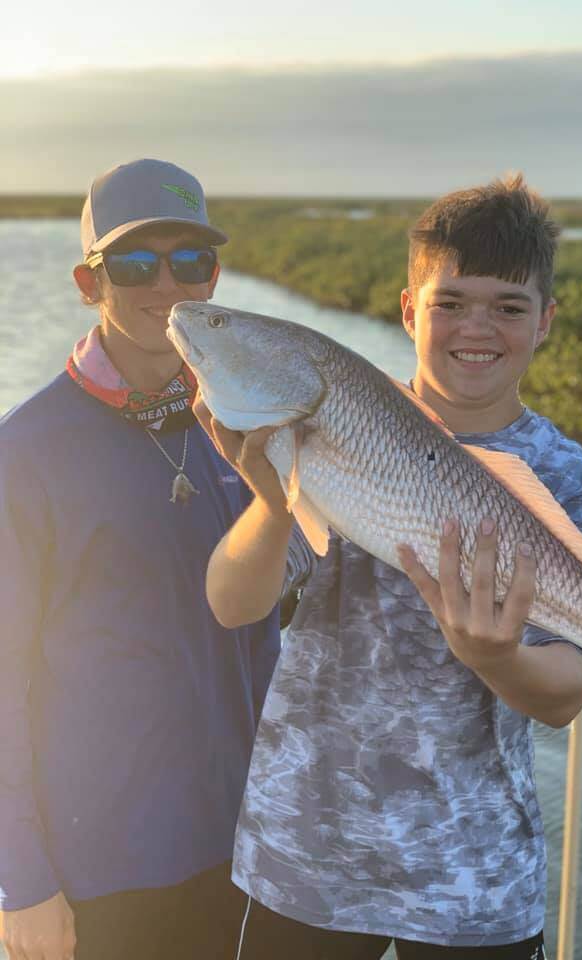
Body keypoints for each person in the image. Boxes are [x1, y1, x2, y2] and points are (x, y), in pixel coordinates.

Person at [194, 174, 582, 959]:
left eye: (508, 307)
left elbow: (565, 695)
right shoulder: (321, 421)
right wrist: (273, 504)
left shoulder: (564, 476)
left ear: (546, 321)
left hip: (473, 875)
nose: (476, 328)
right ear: (409, 310)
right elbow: (231, 604)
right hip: (306, 854)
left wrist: (497, 658)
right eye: (450, 302)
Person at [0, 159, 280, 960]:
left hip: (244, 846)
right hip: (99, 867)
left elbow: (269, 630)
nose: (167, 286)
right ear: (89, 283)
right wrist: (21, 880)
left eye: (191, 260)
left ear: (214, 276)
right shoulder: (26, 451)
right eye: (133, 264)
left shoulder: (246, 423)